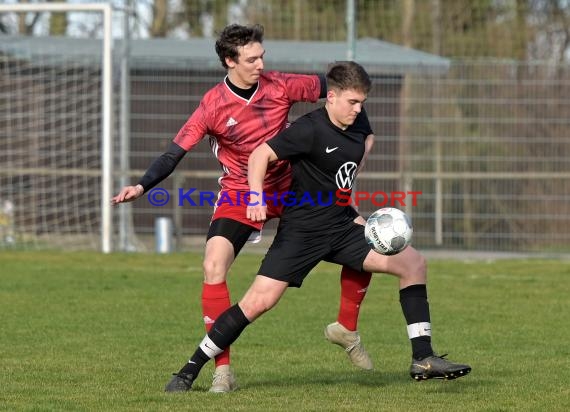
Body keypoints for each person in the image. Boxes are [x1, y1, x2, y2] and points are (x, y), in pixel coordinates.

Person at [163, 61, 471, 392]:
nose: (359, 109)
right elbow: (259, 157)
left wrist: (350, 186)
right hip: (302, 233)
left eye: (362, 102)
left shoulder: (358, 120)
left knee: (413, 263)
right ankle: (190, 368)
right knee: (257, 303)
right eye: (352, 102)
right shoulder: (309, 129)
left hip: (340, 226)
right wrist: (255, 198)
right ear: (332, 97)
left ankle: (422, 358)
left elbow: (364, 141)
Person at [112, 24, 376, 393]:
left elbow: (344, 89)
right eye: (252, 58)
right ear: (229, 60)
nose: (260, 63)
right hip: (240, 192)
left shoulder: (281, 84)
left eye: (262, 55)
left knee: (368, 236)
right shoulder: (212, 105)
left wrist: (362, 136)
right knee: (213, 264)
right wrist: (142, 185)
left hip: (294, 188)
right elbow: (175, 152)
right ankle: (223, 369)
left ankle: (346, 327)